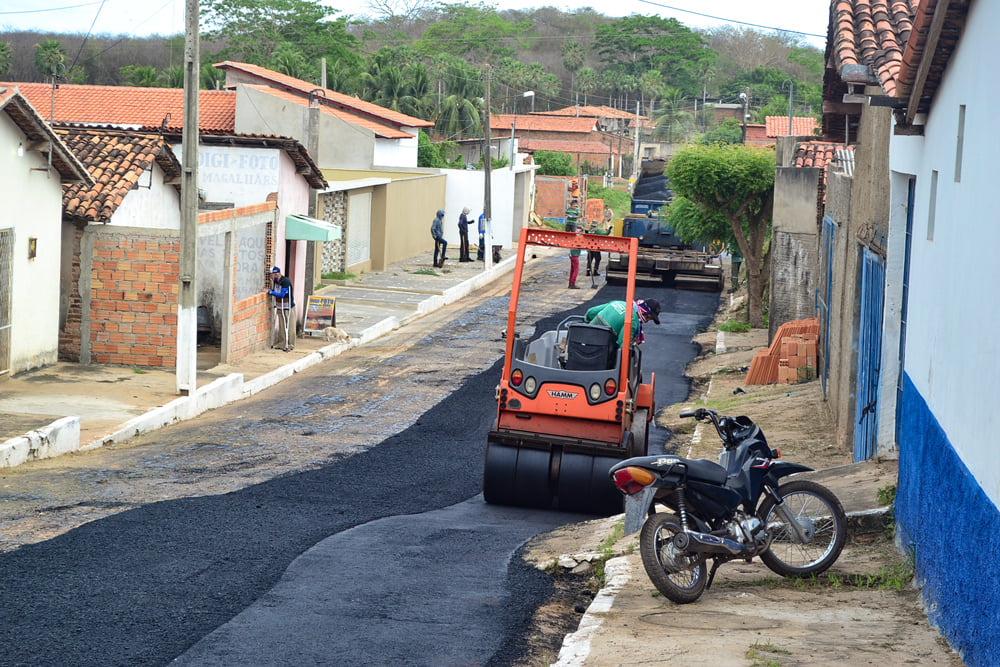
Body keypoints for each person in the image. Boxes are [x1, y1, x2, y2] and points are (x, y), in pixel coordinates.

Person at [583, 298, 661, 347]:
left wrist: (586, 324)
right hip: (600, 352)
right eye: (649, 317)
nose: (647, 320)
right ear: (645, 311)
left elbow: (591, 312)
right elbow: (623, 344)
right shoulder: (632, 320)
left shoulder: (618, 303)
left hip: (582, 339)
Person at [267, 265, 296, 351]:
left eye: (271, 275)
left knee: (290, 326)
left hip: (288, 307)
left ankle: (290, 344)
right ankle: (282, 343)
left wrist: (269, 292)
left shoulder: (285, 281)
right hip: (280, 306)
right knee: (282, 325)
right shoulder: (276, 281)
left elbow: (282, 295)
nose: (270, 277)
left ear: (276, 274)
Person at [585, 218, 611, 282]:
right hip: (596, 247)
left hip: (589, 247)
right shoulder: (597, 231)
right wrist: (609, 230)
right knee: (598, 259)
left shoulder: (589, 231)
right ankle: (595, 271)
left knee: (590, 259)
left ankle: (588, 271)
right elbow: (605, 235)